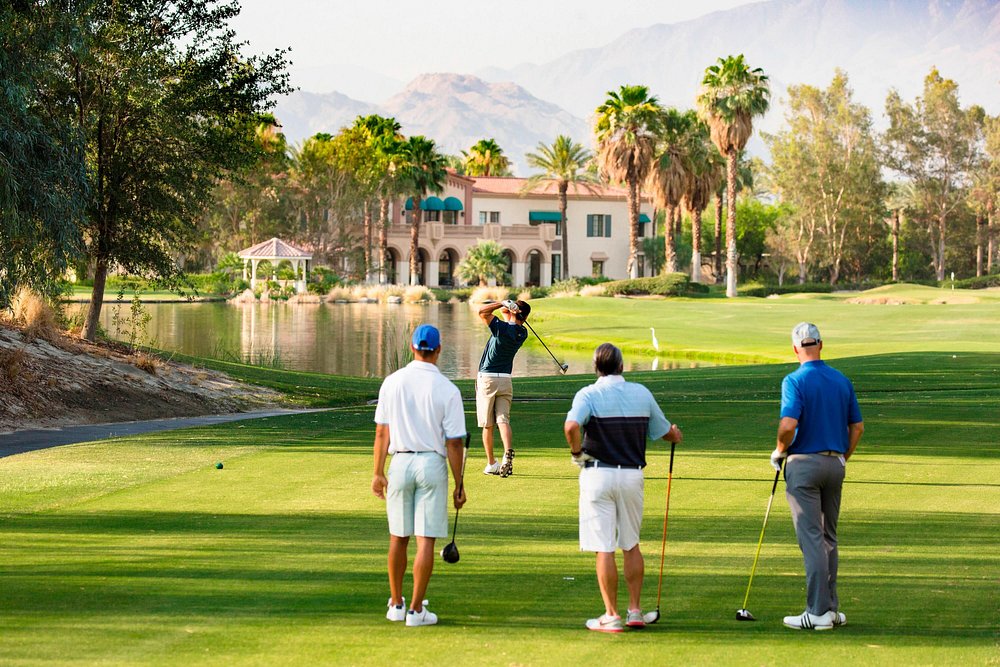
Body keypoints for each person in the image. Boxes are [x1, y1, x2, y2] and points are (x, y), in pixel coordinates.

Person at [564, 342, 683, 632]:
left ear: (596, 367)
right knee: (630, 544)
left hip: (597, 475)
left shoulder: (588, 394)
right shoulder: (641, 392)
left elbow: (571, 427)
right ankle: (634, 611)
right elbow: (665, 432)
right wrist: (675, 435)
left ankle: (611, 614)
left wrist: (577, 453)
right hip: (631, 476)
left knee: (603, 547)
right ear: (621, 366)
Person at [371, 324, 468, 627]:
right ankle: (415, 610)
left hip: (399, 462)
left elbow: (381, 432)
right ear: (438, 350)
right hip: (431, 464)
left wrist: (377, 472)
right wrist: (460, 483)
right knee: (425, 540)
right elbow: (454, 442)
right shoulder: (448, 389)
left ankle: (396, 603)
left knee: (399, 537)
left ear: (412, 347)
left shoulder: (392, 381)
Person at [772, 322, 864, 631]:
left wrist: (779, 450)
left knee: (811, 539)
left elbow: (787, 425)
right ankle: (832, 609)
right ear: (821, 345)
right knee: (828, 538)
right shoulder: (841, 380)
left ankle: (817, 612)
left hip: (804, 466)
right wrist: (841, 458)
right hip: (834, 465)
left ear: (795, 349)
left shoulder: (794, 380)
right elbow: (858, 428)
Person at [476, 298, 530, 477]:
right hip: (506, 380)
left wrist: (500, 303)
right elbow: (506, 319)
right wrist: (507, 307)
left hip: (488, 379)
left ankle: (492, 463)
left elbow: (482, 312)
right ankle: (507, 454)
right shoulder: (522, 333)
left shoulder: (501, 328)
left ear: (514, 313)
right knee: (503, 420)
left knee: (487, 424)